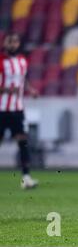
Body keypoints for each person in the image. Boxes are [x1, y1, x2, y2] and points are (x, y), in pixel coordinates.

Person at [0, 32, 39, 189]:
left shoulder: (23, 61)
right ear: (5, 44)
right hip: (1, 109)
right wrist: (8, 91)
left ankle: (26, 178)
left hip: (17, 109)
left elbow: (23, 79)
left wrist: (31, 90)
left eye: (15, 41)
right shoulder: (1, 61)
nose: (13, 44)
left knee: (23, 142)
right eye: (10, 41)